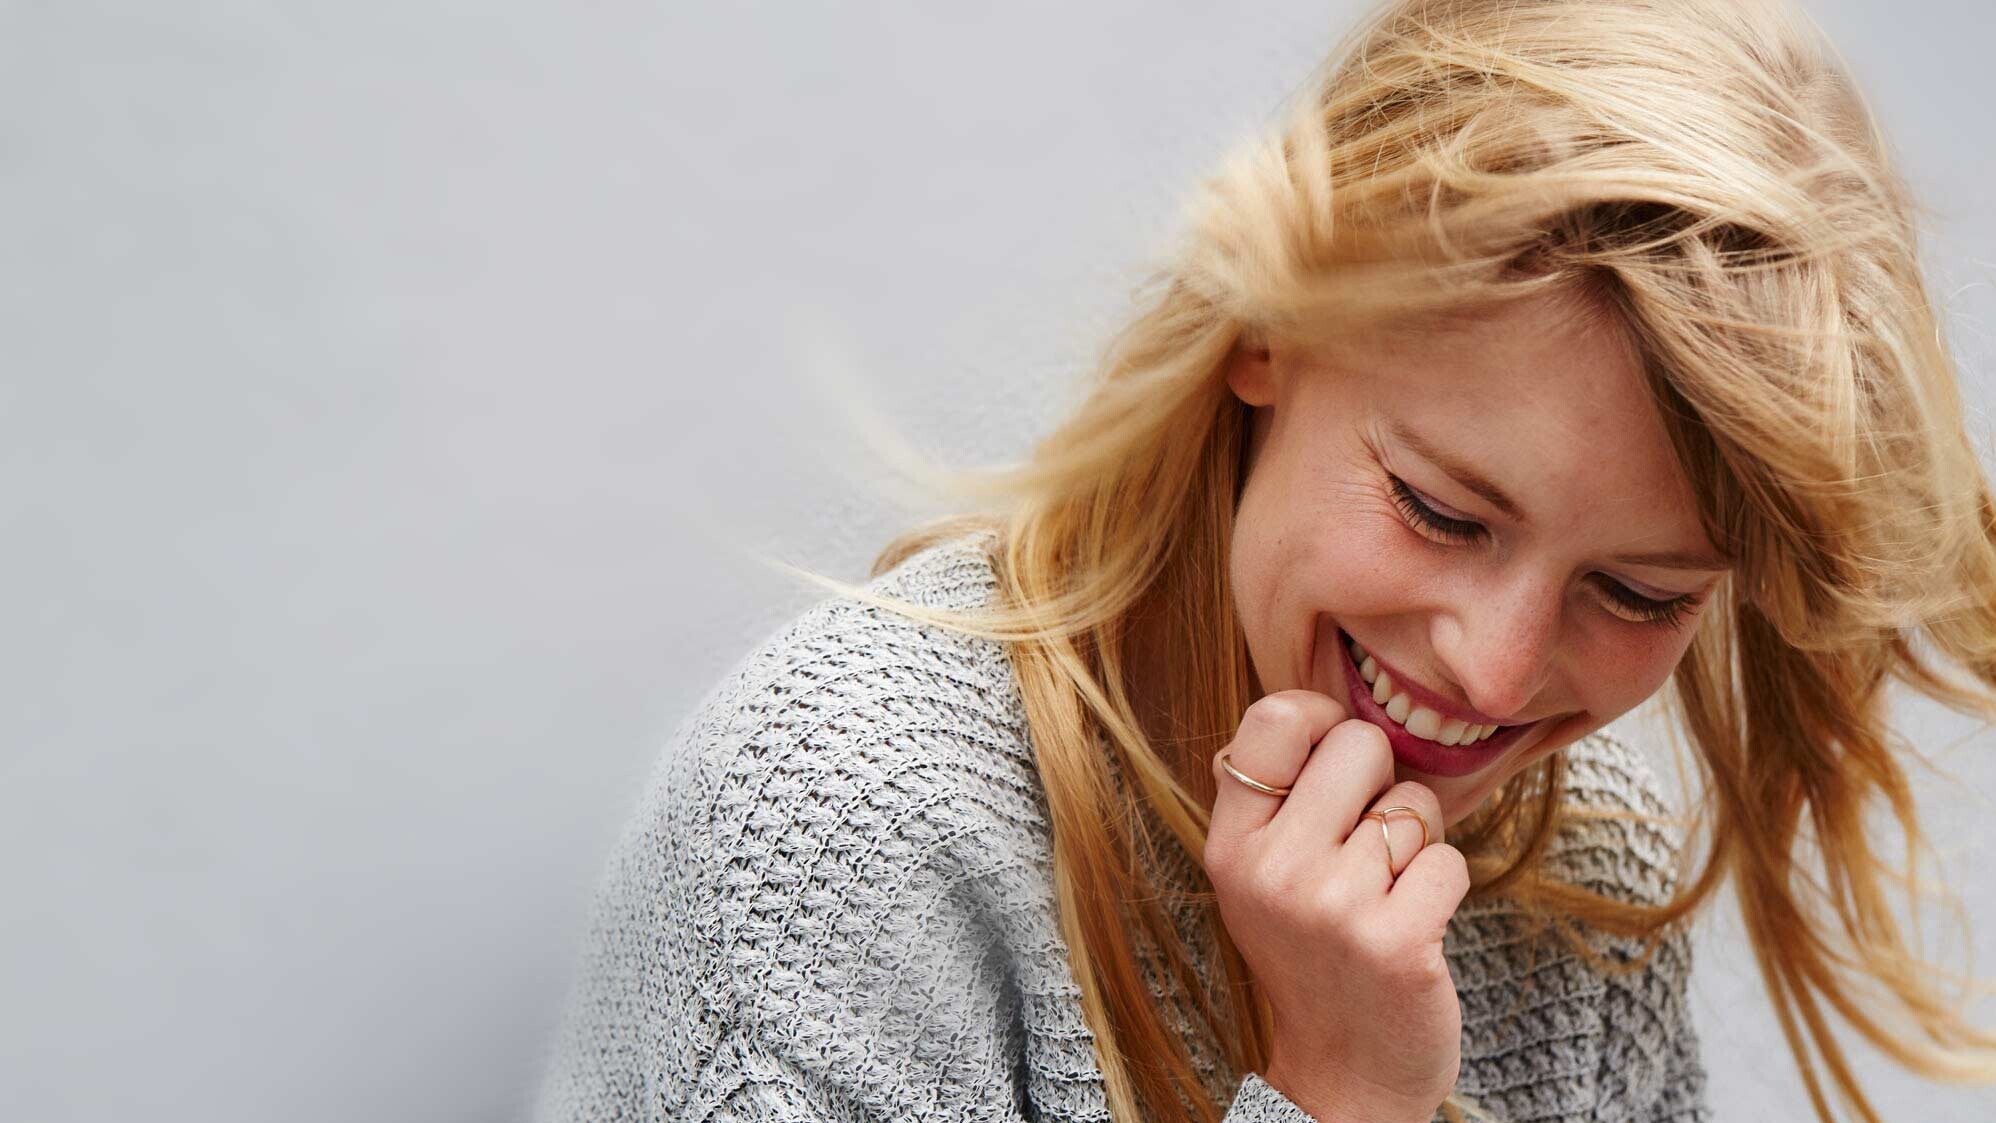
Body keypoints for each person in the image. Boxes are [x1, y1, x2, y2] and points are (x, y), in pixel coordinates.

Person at [533, 1, 1996, 1120]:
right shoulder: (850, 819)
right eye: (1442, 510)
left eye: (1638, 593)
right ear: (1260, 332)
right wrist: (1342, 1092)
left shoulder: (1578, 878)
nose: (1492, 668)